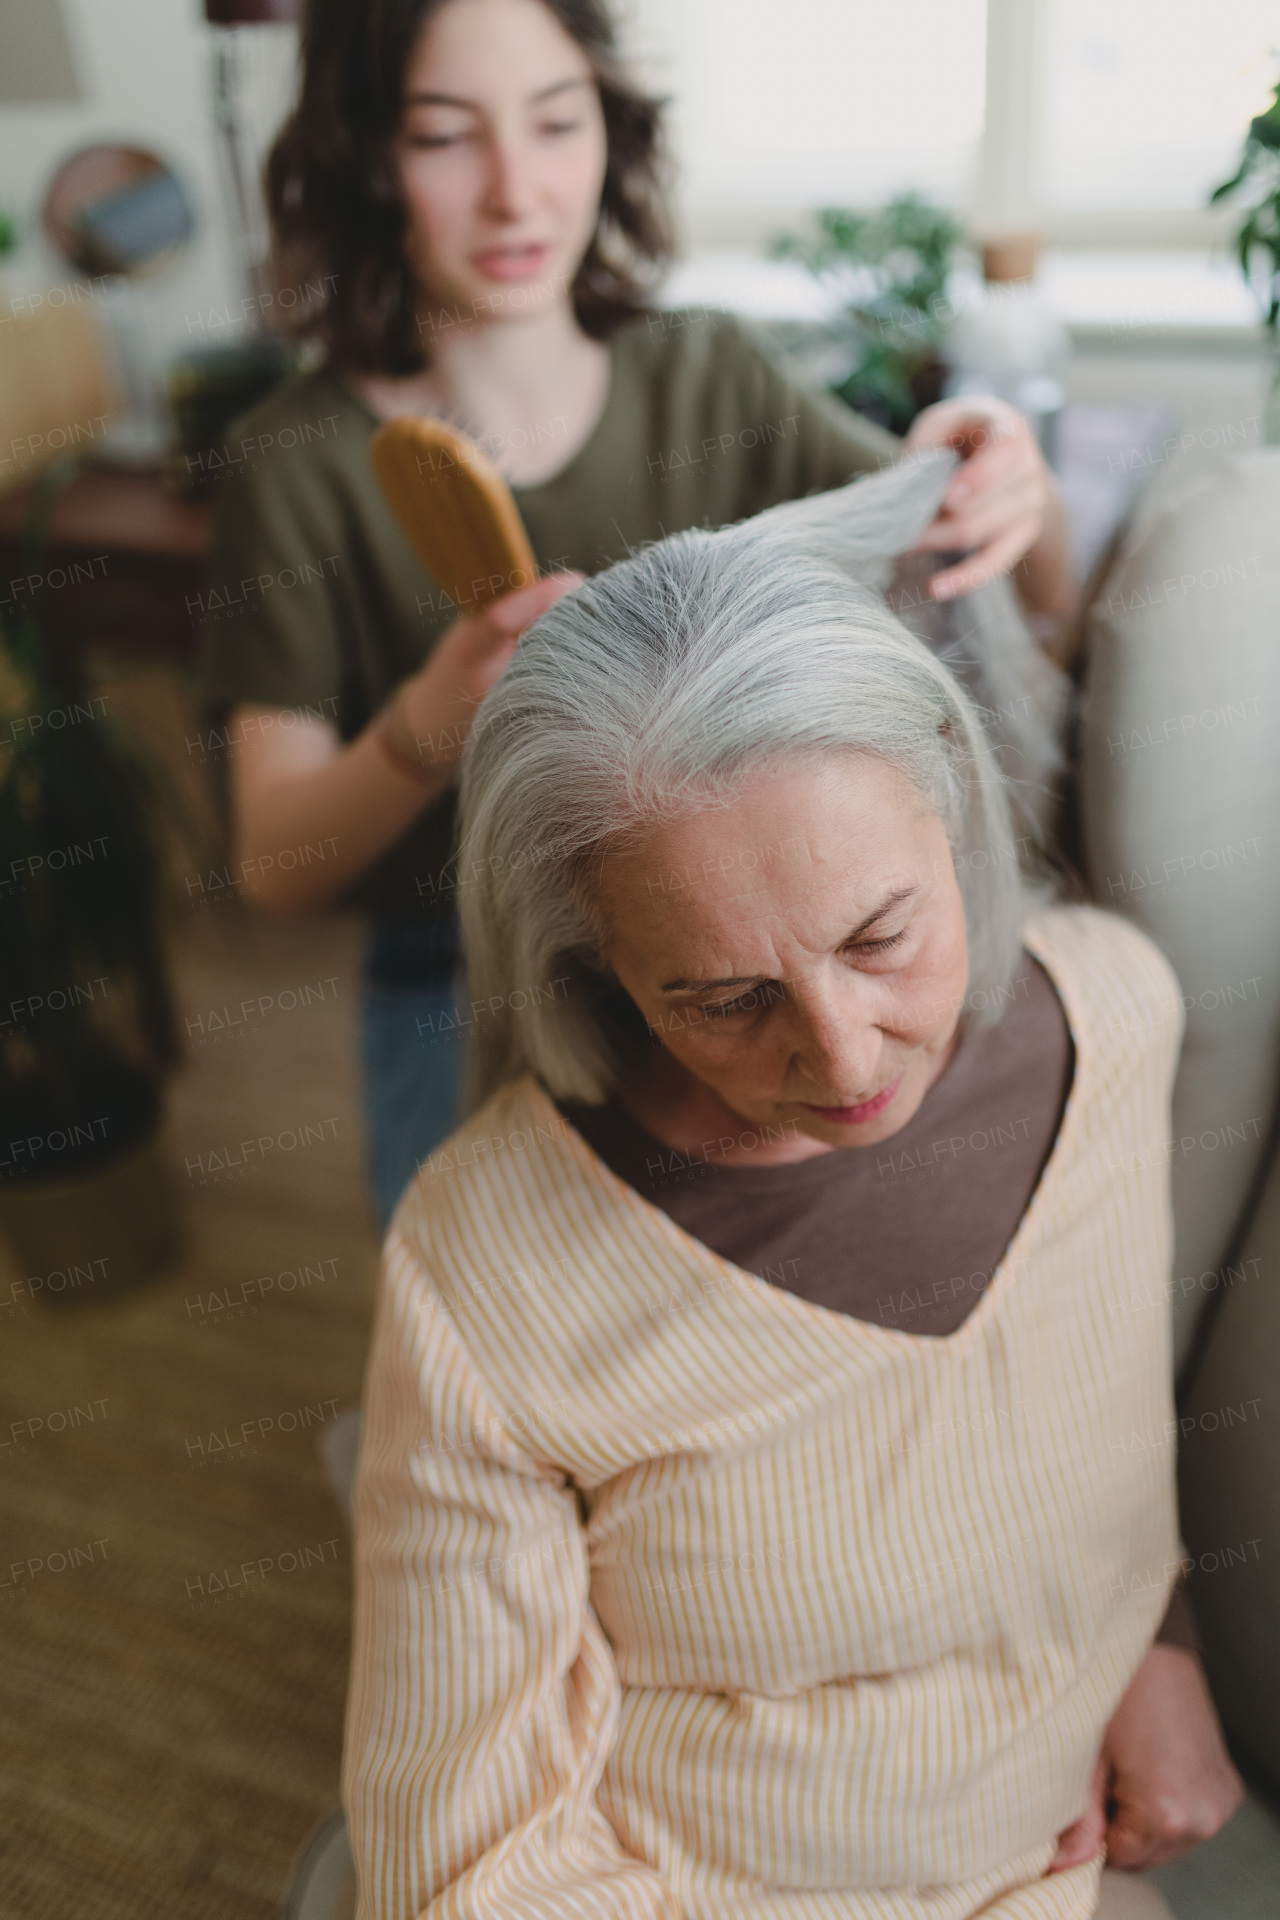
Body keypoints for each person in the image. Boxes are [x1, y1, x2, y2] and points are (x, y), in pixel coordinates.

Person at [341, 458, 1241, 1920]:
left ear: (955, 814)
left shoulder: (1115, 1029)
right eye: (722, 997)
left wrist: (1160, 1638)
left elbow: (1093, 1429)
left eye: (883, 936)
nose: (843, 1057)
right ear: (601, 966)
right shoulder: (480, 1265)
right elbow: (467, 1866)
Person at [194, 0, 1079, 1232]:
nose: (516, 192)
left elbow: (1030, 608)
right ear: (361, 156)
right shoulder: (294, 460)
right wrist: (428, 723)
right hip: (449, 974)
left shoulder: (711, 375)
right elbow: (272, 869)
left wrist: (1010, 495)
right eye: (447, 137)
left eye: (557, 124)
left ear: (610, 134)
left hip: (769, 936)